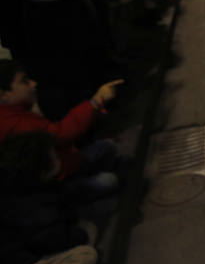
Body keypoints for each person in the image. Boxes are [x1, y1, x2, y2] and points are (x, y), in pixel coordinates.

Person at [0, 131, 98, 264]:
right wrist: (79, 235)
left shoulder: (26, 189)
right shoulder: (32, 206)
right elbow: (51, 236)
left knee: (86, 228)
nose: (59, 159)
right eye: (54, 157)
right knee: (86, 255)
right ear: (39, 169)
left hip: (23, 251)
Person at [0, 60, 124, 201]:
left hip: (65, 162)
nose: (33, 84)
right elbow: (60, 134)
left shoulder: (12, 113)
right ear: (3, 94)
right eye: (25, 81)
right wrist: (96, 101)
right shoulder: (13, 123)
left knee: (107, 147)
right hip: (58, 181)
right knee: (109, 180)